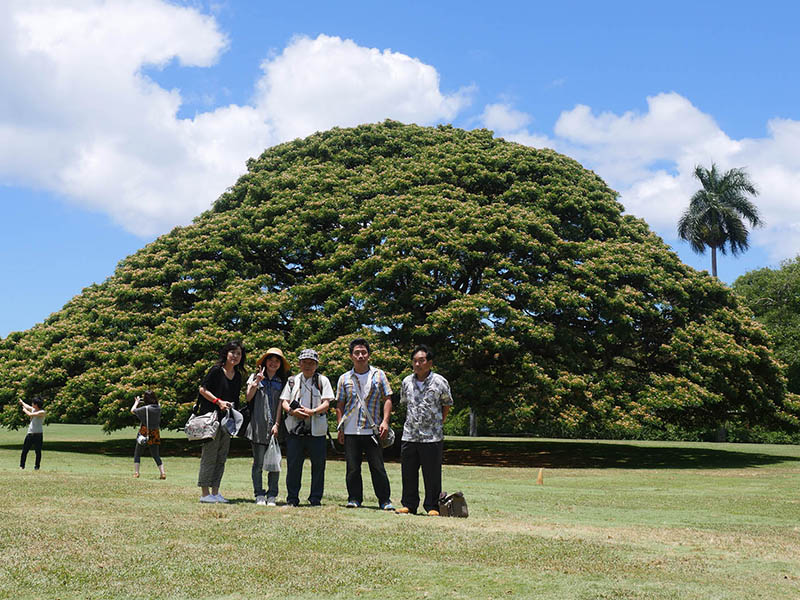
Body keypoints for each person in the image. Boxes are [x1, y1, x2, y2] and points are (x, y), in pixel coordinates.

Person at [335, 338, 394, 510]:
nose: (360, 356)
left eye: (363, 352)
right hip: (351, 430)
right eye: (357, 353)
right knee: (352, 468)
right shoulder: (344, 378)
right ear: (351, 356)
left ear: (368, 355)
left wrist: (385, 421)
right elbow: (339, 404)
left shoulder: (379, 375)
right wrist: (340, 427)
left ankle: (385, 500)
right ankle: (354, 498)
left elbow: (387, 398)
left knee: (377, 467)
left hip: (372, 429)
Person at [396, 344, 453, 516]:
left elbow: (446, 404)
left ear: (430, 363)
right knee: (408, 472)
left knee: (432, 474)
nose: (418, 364)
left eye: (421, 360)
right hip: (410, 435)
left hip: (432, 437)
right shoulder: (406, 382)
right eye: (415, 361)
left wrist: (438, 423)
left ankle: (433, 506)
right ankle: (409, 504)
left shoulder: (440, 381)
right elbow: (405, 404)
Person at [280, 348, 333, 506]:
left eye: (311, 363)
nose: (308, 366)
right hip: (295, 431)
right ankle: (292, 498)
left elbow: (327, 403)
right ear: (299, 364)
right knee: (293, 466)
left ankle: (315, 498)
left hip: (316, 430)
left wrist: (313, 411)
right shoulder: (292, 381)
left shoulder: (322, 381)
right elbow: (284, 401)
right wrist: (292, 411)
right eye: (305, 362)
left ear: (316, 365)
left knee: (318, 466)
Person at [196, 340, 246, 503]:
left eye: (239, 353)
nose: (236, 356)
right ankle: (205, 493)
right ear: (226, 353)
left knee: (221, 456)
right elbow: (202, 389)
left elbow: (235, 398)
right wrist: (218, 401)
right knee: (209, 455)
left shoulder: (237, 376)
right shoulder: (217, 371)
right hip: (212, 419)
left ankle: (215, 492)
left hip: (227, 421)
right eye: (233, 352)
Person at [245, 347, 290, 506]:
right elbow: (248, 397)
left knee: (274, 463)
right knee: (258, 464)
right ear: (265, 361)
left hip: (274, 428)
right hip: (258, 427)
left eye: (277, 360)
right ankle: (259, 494)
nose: (273, 363)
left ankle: (272, 495)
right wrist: (257, 381)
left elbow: (281, 404)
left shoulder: (282, 382)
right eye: (270, 359)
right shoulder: (255, 377)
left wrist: (277, 424)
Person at [131, 390, 166, 479]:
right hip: (155, 432)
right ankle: (162, 473)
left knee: (137, 453)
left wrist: (137, 402)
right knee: (156, 454)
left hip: (144, 432)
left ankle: (136, 473)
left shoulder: (145, 409)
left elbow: (133, 410)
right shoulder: (158, 408)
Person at [19, 397, 45, 470]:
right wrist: (22, 402)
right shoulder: (34, 409)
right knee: (25, 450)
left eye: (33, 403)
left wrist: (24, 410)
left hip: (38, 434)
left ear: (36, 404)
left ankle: (37, 466)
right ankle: (22, 465)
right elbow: (27, 406)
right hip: (30, 433)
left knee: (38, 452)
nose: (32, 404)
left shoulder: (42, 412)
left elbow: (30, 414)